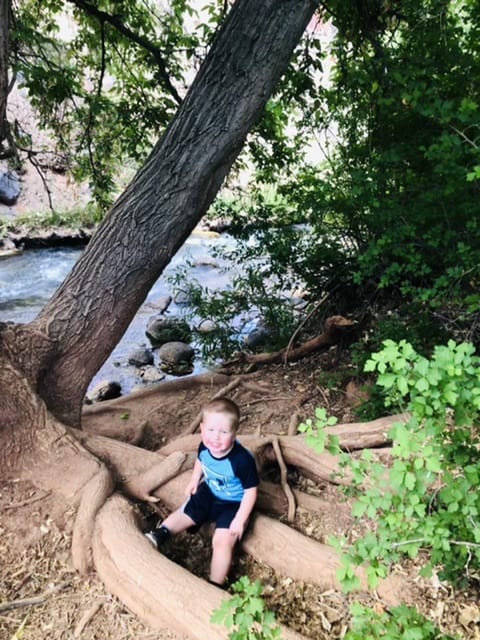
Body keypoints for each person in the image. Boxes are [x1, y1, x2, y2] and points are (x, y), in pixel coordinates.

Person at [144, 397, 259, 587]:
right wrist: (194, 480)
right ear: (202, 428)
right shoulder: (205, 446)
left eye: (223, 432)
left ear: (234, 434)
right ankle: (161, 533)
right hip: (210, 491)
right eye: (211, 430)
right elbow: (200, 461)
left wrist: (240, 519)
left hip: (234, 503)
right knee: (187, 510)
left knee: (223, 541)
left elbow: (251, 491)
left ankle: (215, 583)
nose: (215, 437)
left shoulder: (241, 460)